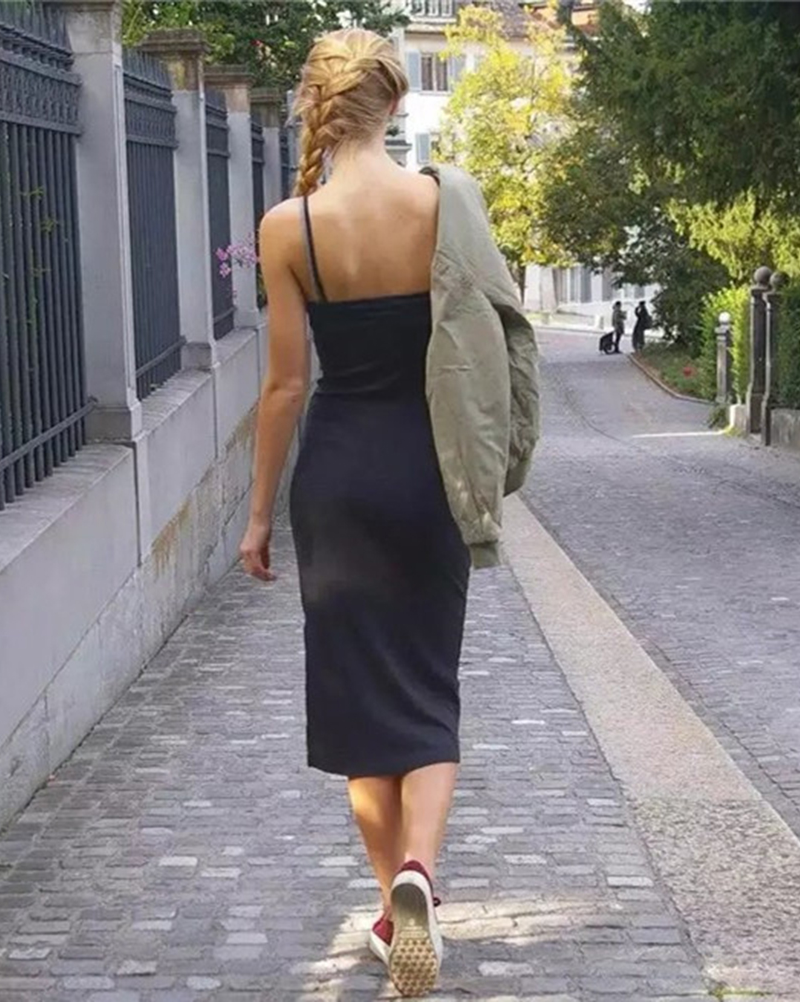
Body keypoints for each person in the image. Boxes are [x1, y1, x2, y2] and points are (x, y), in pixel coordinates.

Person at [238, 27, 539, 998]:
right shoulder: (442, 203)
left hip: (337, 482)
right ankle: (419, 874)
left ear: (315, 107)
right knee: (427, 695)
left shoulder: (289, 227)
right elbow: (495, 329)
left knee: (361, 709)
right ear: (397, 104)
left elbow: (285, 388)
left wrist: (257, 518)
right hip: (430, 472)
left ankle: (388, 905)